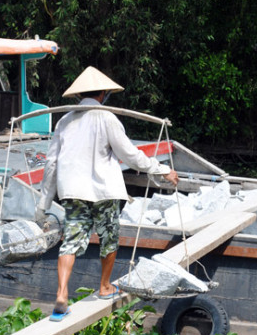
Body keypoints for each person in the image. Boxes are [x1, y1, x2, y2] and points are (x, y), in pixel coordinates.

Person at [36, 66, 179, 321]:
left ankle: (61, 294)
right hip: (103, 191)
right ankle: (104, 286)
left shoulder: (65, 121)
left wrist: (43, 203)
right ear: (103, 94)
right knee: (109, 238)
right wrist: (162, 170)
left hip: (74, 193)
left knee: (70, 242)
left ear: (80, 95)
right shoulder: (108, 118)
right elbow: (130, 155)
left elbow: (51, 164)